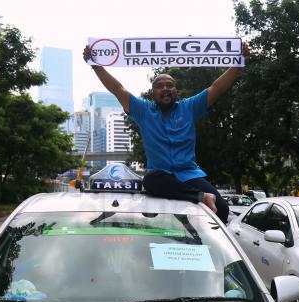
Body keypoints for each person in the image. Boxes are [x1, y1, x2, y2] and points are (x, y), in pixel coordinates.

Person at [83, 44, 248, 224]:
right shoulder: (143, 110)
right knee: (150, 180)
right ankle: (201, 197)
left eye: (170, 85)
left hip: (190, 175)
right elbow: (118, 89)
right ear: (153, 92)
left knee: (222, 209)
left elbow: (216, 88)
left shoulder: (189, 107)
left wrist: (237, 64)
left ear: (176, 91)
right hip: (161, 178)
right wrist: (96, 66)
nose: (165, 88)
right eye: (159, 86)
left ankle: (200, 228)